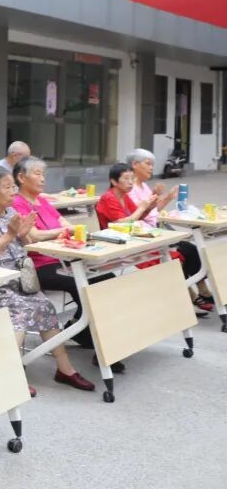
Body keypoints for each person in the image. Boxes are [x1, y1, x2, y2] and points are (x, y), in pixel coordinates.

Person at [0, 167, 96, 395]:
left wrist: (24, 234)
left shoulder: (10, 213)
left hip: (19, 279)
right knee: (20, 312)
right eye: (7, 187)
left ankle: (65, 369)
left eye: (13, 187)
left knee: (45, 306)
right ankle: (9, 373)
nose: (13, 192)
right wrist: (10, 235)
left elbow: (29, 241)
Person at [11, 157, 116, 362]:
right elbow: (34, 235)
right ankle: (100, 344)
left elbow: (65, 224)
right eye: (37, 174)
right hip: (39, 265)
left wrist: (71, 230)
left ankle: (83, 329)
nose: (43, 179)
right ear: (21, 178)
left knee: (106, 278)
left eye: (44, 174)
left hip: (65, 258)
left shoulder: (42, 201)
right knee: (83, 284)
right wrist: (63, 231)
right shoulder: (17, 204)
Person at [126, 149, 213, 312]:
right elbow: (139, 214)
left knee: (191, 249)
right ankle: (190, 295)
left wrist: (168, 197)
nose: (151, 168)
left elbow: (153, 210)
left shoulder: (144, 186)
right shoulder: (130, 189)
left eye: (152, 164)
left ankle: (202, 290)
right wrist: (157, 199)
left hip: (155, 231)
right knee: (180, 253)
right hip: (144, 236)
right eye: (148, 164)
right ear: (135, 165)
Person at [94, 163, 159, 231]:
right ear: (114, 182)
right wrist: (142, 208)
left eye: (132, 178)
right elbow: (124, 224)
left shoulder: (124, 195)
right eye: (126, 178)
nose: (131, 182)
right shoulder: (108, 198)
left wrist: (148, 208)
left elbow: (136, 217)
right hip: (111, 235)